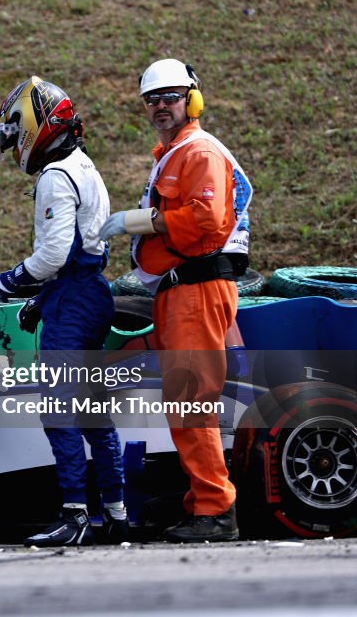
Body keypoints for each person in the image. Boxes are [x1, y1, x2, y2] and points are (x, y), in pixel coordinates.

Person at [100, 59, 252, 542]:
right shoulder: (175, 152)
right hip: (179, 289)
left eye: (169, 96)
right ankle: (199, 503)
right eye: (152, 99)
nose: (160, 106)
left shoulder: (198, 150)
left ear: (192, 99)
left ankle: (213, 509)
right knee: (184, 400)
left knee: (191, 401)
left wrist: (143, 221)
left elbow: (207, 217)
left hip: (197, 287)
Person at [0, 76, 128, 546]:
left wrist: (8, 282)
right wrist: (41, 299)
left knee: (60, 412)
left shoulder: (55, 175)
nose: (13, 144)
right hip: (89, 295)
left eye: (15, 130)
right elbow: (81, 256)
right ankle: (115, 511)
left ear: (36, 124)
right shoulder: (85, 165)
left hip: (73, 302)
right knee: (93, 413)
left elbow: (54, 256)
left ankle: (74, 516)